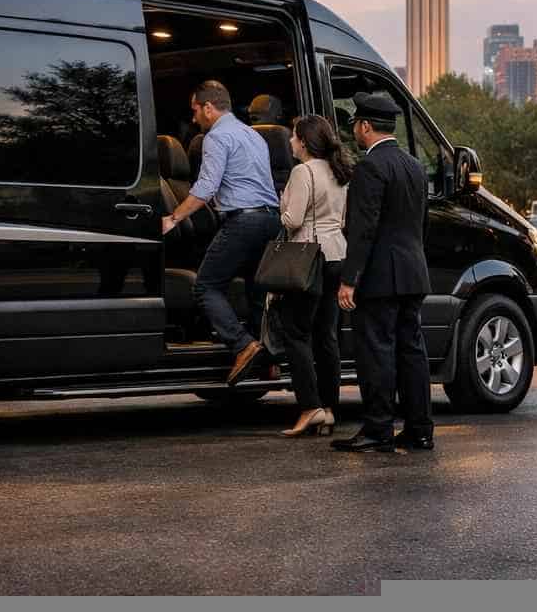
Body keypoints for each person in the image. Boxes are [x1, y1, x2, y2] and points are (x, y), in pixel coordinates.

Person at [331, 91, 435, 454]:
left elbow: (364, 228)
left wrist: (349, 279)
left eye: (356, 126)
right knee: (412, 352)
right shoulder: (414, 166)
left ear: (365, 126)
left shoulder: (370, 167)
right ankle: (420, 429)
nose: (355, 133)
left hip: (379, 278)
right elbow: (420, 224)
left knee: (377, 352)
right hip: (412, 273)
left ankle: (378, 428)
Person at [162, 80, 281, 386]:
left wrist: (173, 218)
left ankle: (243, 346)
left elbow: (205, 187)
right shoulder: (252, 135)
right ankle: (266, 361)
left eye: (195, 111)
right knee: (257, 294)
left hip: (243, 221)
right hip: (270, 220)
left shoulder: (215, 137)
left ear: (208, 108)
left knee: (205, 287)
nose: (193, 118)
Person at [274, 114, 351, 438]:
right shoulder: (339, 171)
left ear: (304, 142)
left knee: (295, 332)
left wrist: (281, 203)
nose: (291, 142)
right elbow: (344, 218)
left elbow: (292, 219)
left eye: (294, 137)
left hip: (308, 256)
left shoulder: (302, 171)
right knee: (327, 335)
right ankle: (330, 408)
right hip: (337, 254)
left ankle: (310, 406)